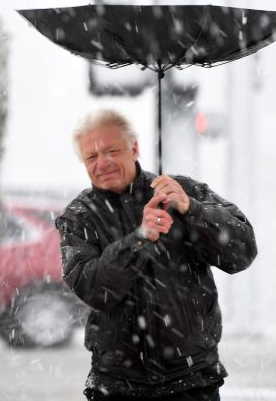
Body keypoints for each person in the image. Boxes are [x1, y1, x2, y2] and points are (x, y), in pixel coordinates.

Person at [55, 109, 257, 401]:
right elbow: (94, 289)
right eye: (91, 157)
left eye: (111, 150)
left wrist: (192, 209)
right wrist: (139, 239)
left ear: (134, 147)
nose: (102, 163)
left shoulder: (182, 191)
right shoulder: (79, 217)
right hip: (117, 385)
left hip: (192, 380)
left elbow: (242, 252)